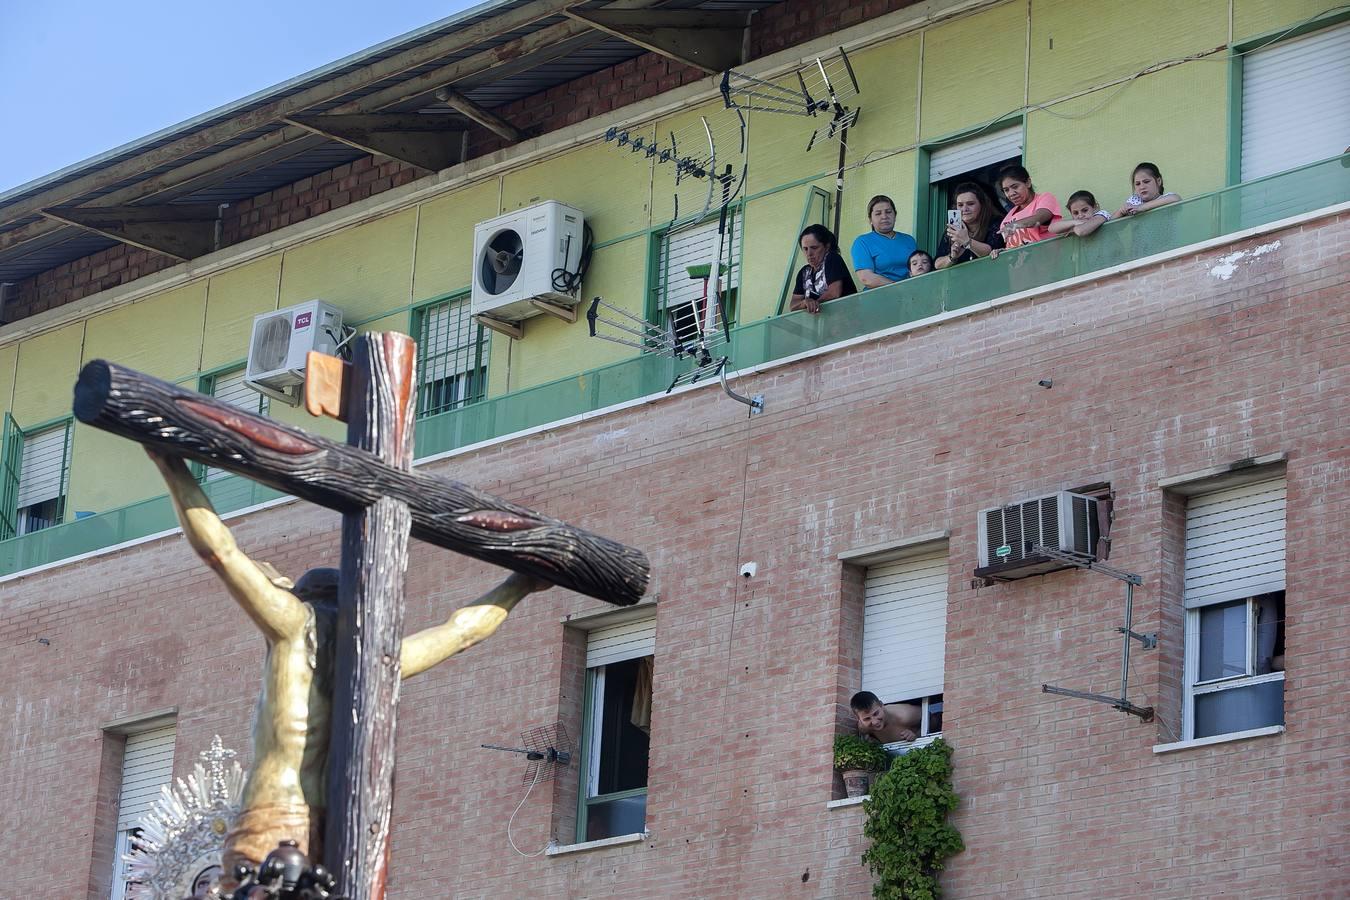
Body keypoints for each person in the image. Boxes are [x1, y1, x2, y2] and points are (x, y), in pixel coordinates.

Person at [146, 450, 550, 888]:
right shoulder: (373, 661)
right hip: (336, 827)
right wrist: (520, 584)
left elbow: (220, 551)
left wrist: (169, 463)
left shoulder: (291, 628)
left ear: (301, 598)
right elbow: (461, 633)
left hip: (272, 811)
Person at [850, 195, 918, 288]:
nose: (884, 216)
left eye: (888, 212)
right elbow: (866, 278)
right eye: (878, 213)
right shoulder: (862, 242)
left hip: (911, 295)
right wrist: (899, 288)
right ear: (870, 219)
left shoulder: (909, 240)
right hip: (880, 298)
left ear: (895, 215)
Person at [935, 182, 1005, 268]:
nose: (964, 209)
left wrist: (967, 241)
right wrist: (952, 257)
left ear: (982, 204)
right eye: (960, 205)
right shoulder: (953, 229)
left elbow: (991, 252)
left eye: (970, 204)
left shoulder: (996, 222)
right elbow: (937, 264)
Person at [791, 224, 857, 314]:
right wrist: (804, 303)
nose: (809, 253)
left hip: (846, 320)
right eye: (805, 249)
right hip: (821, 326)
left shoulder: (832, 258)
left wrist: (814, 303)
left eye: (814, 248)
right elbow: (793, 305)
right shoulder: (803, 272)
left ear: (827, 246)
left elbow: (834, 293)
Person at [995, 164, 1062, 250]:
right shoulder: (1006, 220)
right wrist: (1003, 252)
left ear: (1028, 182)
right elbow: (1013, 248)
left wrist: (1014, 225)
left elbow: (1038, 219)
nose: (1011, 193)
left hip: (1049, 260)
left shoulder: (1044, 198)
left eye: (1015, 187)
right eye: (1006, 190)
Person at [850, 690, 922, 744]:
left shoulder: (906, 714)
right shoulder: (863, 728)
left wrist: (916, 735)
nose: (875, 722)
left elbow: (931, 719)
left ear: (881, 705)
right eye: (867, 719)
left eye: (876, 714)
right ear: (859, 719)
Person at [1114, 162, 1181, 218]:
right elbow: (1111, 223)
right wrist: (1121, 211)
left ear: (1158, 181)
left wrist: (1141, 207)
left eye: (1146, 182)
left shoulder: (1164, 199)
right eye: (1137, 184)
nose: (1142, 187)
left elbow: (1175, 198)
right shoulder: (1134, 201)